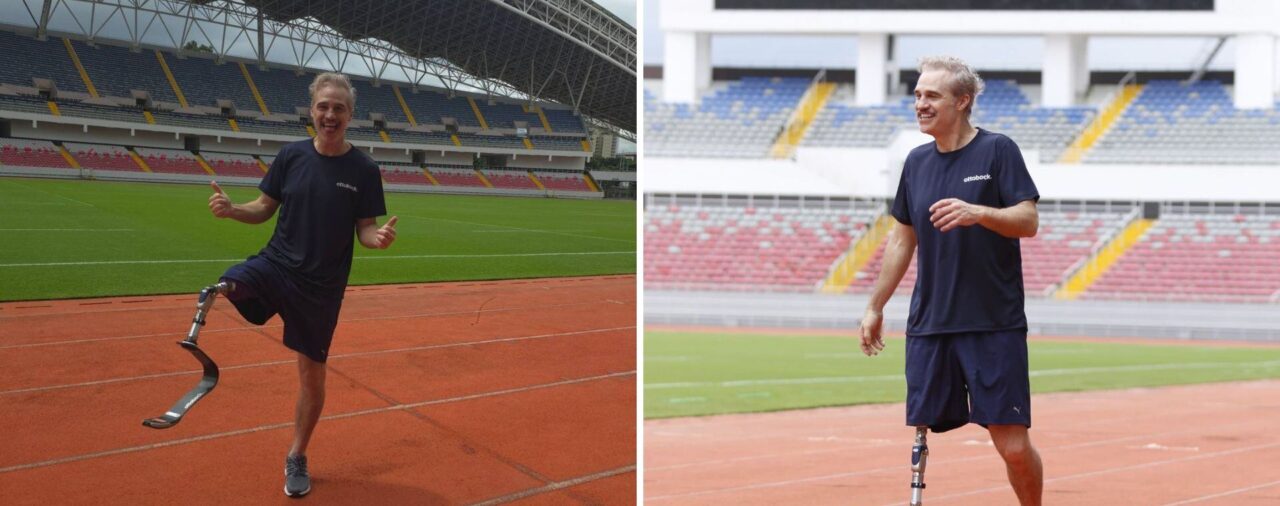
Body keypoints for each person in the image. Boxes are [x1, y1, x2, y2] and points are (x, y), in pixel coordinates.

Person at [859, 56, 1043, 506]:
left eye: (931, 95)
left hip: (992, 324)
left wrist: (978, 211)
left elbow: (1028, 220)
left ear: (962, 101)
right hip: (931, 324)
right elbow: (902, 241)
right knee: (923, 435)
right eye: (918, 95)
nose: (920, 103)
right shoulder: (916, 163)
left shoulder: (998, 150)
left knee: (1014, 448)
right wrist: (875, 305)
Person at [207, 72, 398, 498]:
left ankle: (297, 454)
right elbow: (262, 208)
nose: (331, 114)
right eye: (324, 106)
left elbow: (364, 230)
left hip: (321, 288)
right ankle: (211, 303)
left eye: (339, 108)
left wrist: (378, 239)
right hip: (277, 264)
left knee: (311, 377)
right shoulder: (290, 156)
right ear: (312, 110)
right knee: (231, 281)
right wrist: (231, 209)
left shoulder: (364, 169)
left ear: (351, 115)